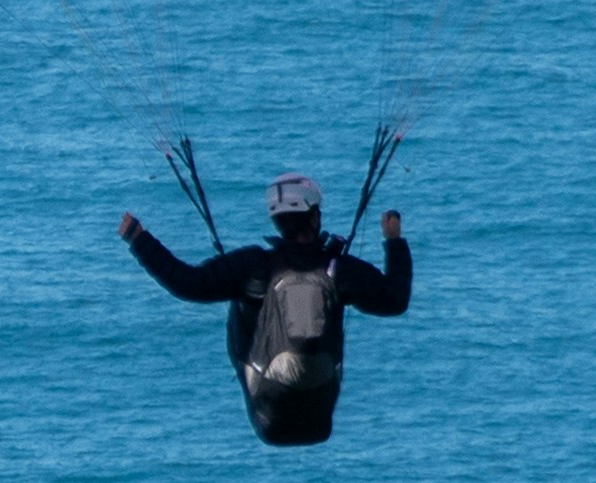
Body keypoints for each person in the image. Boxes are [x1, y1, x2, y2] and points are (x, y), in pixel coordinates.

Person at [120, 172, 412, 445]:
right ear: (314, 218)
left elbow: (187, 283)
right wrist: (394, 242)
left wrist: (138, 239)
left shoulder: (253, 266)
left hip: (269, 415)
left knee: (241, 299)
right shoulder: (340, 269)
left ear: (278, 221)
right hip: (319, 418)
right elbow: (395, 300)